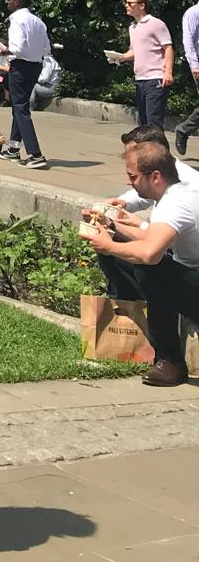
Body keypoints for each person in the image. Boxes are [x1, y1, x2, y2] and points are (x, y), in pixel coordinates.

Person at [80, 137, 199, 387]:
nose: (129, 182)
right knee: (121, 255)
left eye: (133, 176)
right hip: (190, 271)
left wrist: (109, 245)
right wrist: (112, 227)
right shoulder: (174, 194)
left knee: (150, 269)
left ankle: (170, 360)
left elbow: (149, 253)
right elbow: (152, 238)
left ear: (155, 176)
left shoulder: (177, 202)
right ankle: (131, 325)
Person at [0, 0, 51, 169]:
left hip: (20, 67)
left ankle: (35, 154)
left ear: (17, 2)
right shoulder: (38, 22)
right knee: (19, 107)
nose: (7, 2)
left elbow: (17, 49)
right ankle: (13, 148)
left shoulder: (17, 20)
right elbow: (46, 49)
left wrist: (0, 52)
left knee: (21, 109)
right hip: (35, 66)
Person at [114, 0, 174, 133]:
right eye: (126, 3)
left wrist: (168, 72)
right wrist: (120, 57)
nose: (126, 6)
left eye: (130, 3)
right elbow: (135, 51)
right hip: (140, 79)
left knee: (154, 121)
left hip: (155, 78)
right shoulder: (133, 27)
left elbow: (168, 48)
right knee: (143, 121)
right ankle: (148, 147)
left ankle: (159, 148)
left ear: (142, 5)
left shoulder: (155, 24)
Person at [174, 0, 199, 157]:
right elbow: (188, 41)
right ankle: (183, 130)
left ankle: (184, 129)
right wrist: (194, 64)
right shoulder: (193, 12)